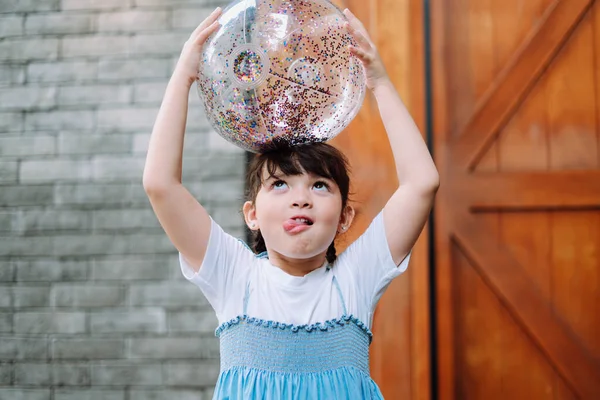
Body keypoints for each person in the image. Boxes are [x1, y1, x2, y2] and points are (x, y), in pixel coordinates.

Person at [143, 6, 439, 399]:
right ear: (252, 214)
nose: (301, 199)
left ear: (345, 216)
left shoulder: (355, 279)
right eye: (280, 185)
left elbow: (422, 183)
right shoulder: (235, 277)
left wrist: (380, 82)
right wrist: (183, 78)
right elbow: (160, 184)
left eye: (319, 186)